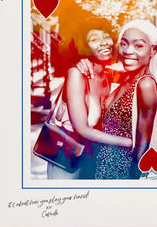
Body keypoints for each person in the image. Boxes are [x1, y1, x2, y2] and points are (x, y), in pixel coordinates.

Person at [46, 17, 131, 180]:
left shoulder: (106, 74)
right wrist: (129, 142)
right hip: (66, 162)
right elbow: (83, 129)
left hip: (90, 159)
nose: (103, 43)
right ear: (85, 46)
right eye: (94, 39)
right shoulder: (77, 74)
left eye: (106, 36)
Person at [95, 19, 157, 180]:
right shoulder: (127, 79)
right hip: (105, 165)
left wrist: (131, 184)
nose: (128, 51)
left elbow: (142, 145)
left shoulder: (145, 84)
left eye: (139, 45)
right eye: (124, 44)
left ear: (153, 50)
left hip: (122, 171)